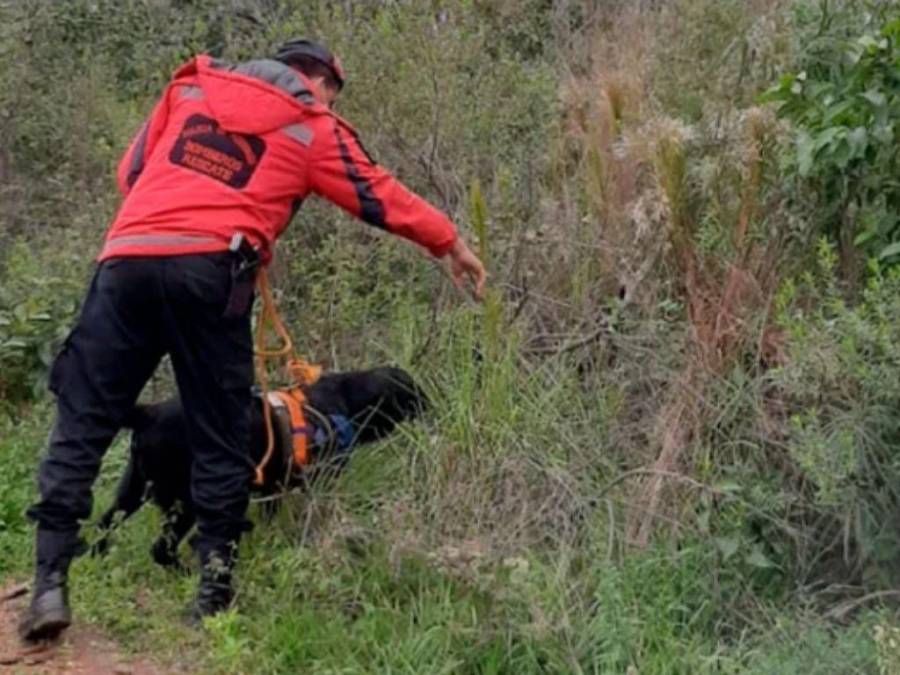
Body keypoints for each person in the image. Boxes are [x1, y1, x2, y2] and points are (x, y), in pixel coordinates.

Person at [19, 38, 487, 641]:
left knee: (82, 426)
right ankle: (213, 593)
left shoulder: (188, 91)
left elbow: (131, 173)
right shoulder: (310, 125)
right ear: (317, 82)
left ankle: (50, 584)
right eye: (331, 95)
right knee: (219, 434)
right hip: (212, 273)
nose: (329, 104)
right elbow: (379, 195)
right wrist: (450, 243)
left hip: (127, 260)